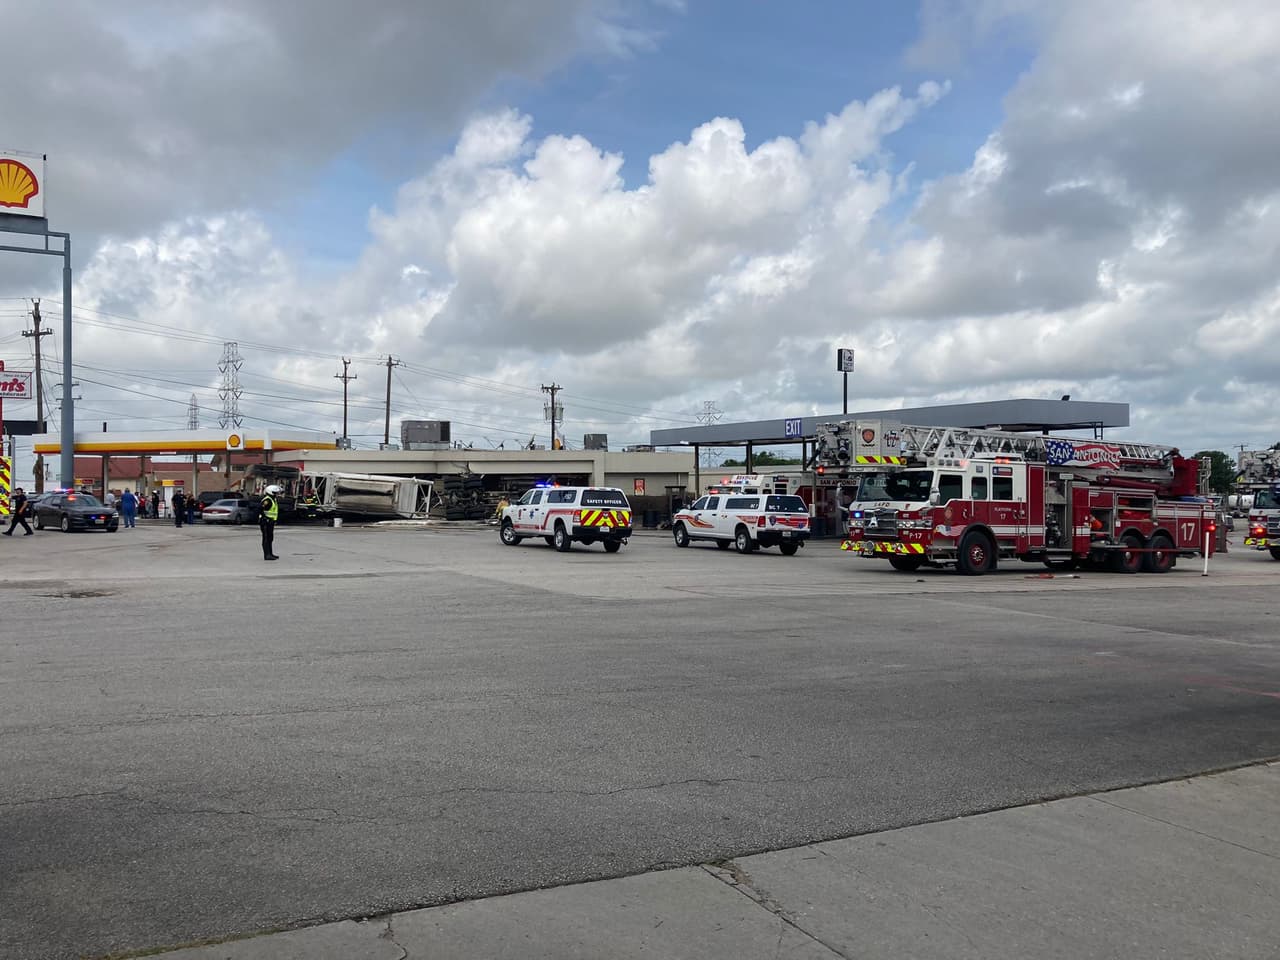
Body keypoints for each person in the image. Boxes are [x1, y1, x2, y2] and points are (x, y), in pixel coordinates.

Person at [259, 485, 281, 560]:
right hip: (265, 522)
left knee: (270, 538)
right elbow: (259, 509)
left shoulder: (273, 499)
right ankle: (267, 555)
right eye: (275, 493)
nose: (276, 494)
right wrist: (265, 518)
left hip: (270, 522)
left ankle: (270, 553)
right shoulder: (267, 500)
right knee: (266, 538)